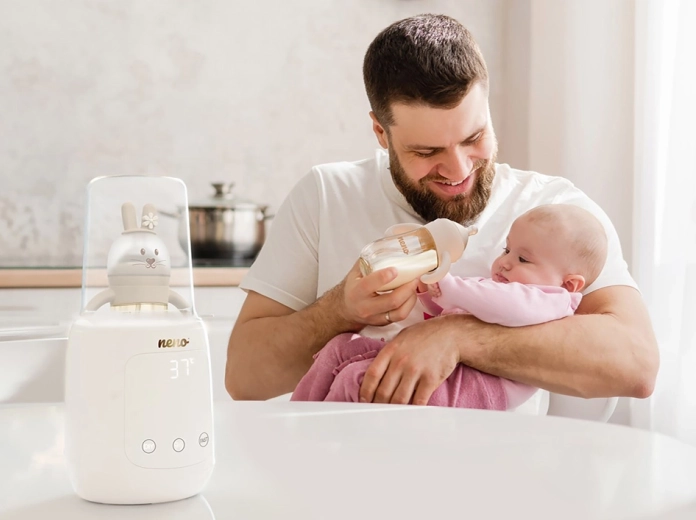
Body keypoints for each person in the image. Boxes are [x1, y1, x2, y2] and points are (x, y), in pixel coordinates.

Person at [226, 13, 658, 406]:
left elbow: (636, 365)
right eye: (427, 151)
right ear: (381, 131)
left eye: (474, 138)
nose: (458, 170)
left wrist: (458, 336)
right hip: (345, 458)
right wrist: (340, 310)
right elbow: (244, 377)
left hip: (499, 464)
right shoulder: (326, 195)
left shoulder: (554, 213)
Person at [290, 204, 605, 411]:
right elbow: (453, 311)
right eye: (506, 249)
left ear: (570, 283)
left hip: (476, 388)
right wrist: (428, 292)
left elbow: (507, 307)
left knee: (357, 380)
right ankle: (299, 420)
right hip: (449, 371)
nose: (505, 262)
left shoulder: (553, 300)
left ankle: (325, 447)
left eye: (523, 258)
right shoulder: (498, 286)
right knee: (340, 348)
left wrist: (449, 285)